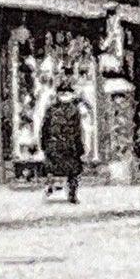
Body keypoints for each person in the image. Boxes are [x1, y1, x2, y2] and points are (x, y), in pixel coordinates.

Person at [39, 75, 85, 204]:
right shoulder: (73, 110)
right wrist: (79, 147)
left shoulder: (52, 109)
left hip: (56, 145)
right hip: (68, 145)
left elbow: (44, 128)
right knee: (71, 171)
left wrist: (44, 144)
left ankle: (51, 188)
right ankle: (71, 194)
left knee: (54, 169)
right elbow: (77, 131)